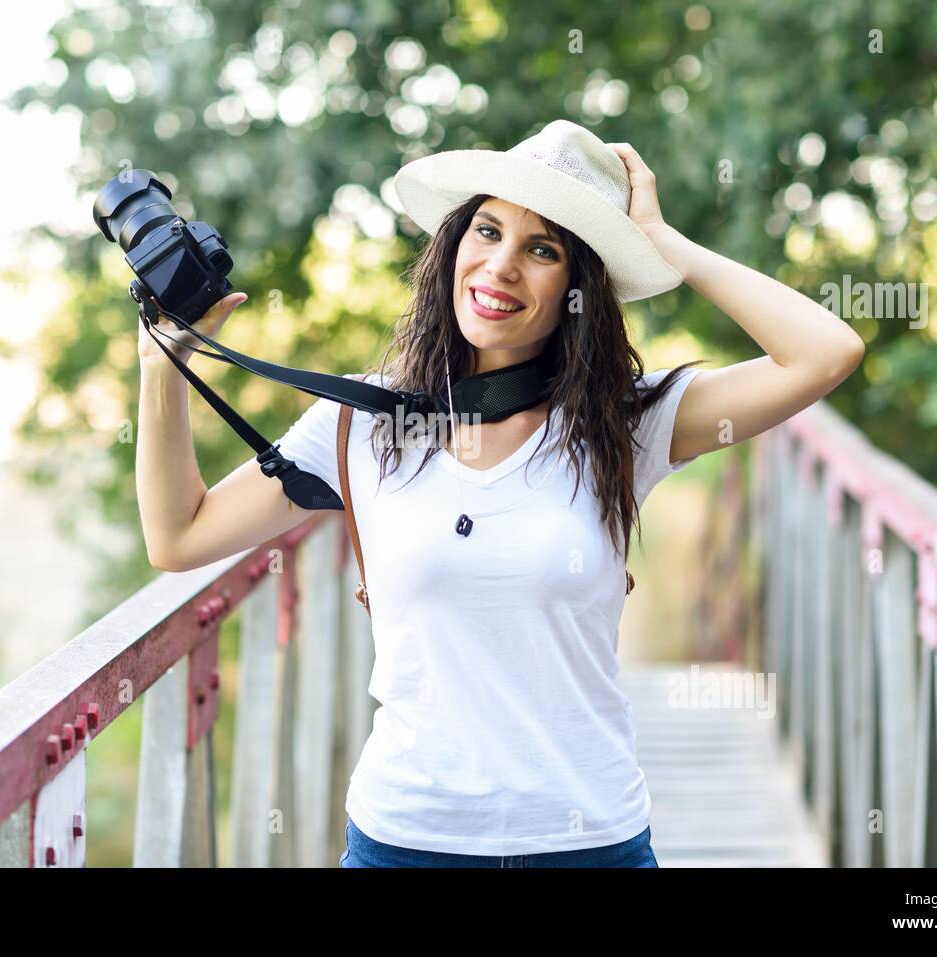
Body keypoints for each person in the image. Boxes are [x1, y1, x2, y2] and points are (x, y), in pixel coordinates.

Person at [134, 120, 864, 868]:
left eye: (542, 249)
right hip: (405, 841)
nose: (501, 266)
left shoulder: (627, 421)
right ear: (454, 246)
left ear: (580, 286)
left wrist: (661, 244)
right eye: (486, 231)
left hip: (589, 843)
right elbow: (179, 536)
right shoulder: (363, 421)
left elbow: (827, 351)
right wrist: (163, 362)